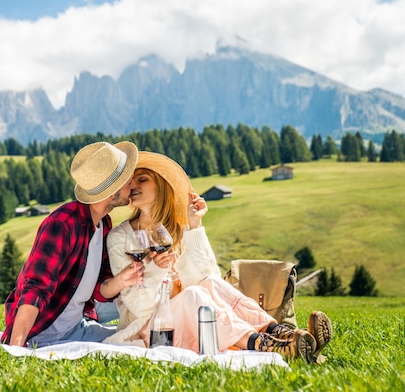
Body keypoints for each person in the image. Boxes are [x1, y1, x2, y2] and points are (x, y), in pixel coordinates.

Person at [102, 151, 333, 363]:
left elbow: (209, 277)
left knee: (209, 283)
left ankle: (284, 334)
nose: (132, 185)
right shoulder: (119, 238)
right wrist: (157, 270)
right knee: (193, 294)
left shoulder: (175, 232)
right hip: (149, 330)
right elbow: (138, 306)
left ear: (161, 186)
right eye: (131, 181)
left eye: (142, 179)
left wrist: (195, 225)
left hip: (188, 319)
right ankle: (264, 344)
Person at [1, 141, 143, 347]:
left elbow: (99, 291)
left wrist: (121, 280)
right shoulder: (63, 224)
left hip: (76, 329)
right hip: (40, 336)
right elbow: (35, 289)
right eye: (127, 180)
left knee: (140, 340)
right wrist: (16, 348)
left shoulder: (103, 223)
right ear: (112, 193)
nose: (133, 184)